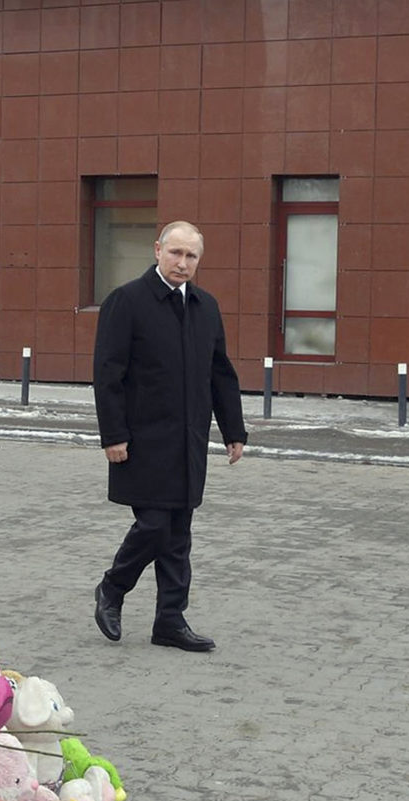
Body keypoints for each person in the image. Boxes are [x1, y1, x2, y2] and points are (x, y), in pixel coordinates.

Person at [91, 220, 247, 653]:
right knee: (155, 524)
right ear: (158, 250)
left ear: (199, 260)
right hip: (141, 441)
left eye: (191, 256)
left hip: (188, 441)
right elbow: (108, 374)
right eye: (175, 253)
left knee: (178, 532)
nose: (182, 263)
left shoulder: (206, 306)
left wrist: (233, 430)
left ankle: (170, 621)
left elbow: (221, 373)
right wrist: (113, 435)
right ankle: (113, 587)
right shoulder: (127, 301)